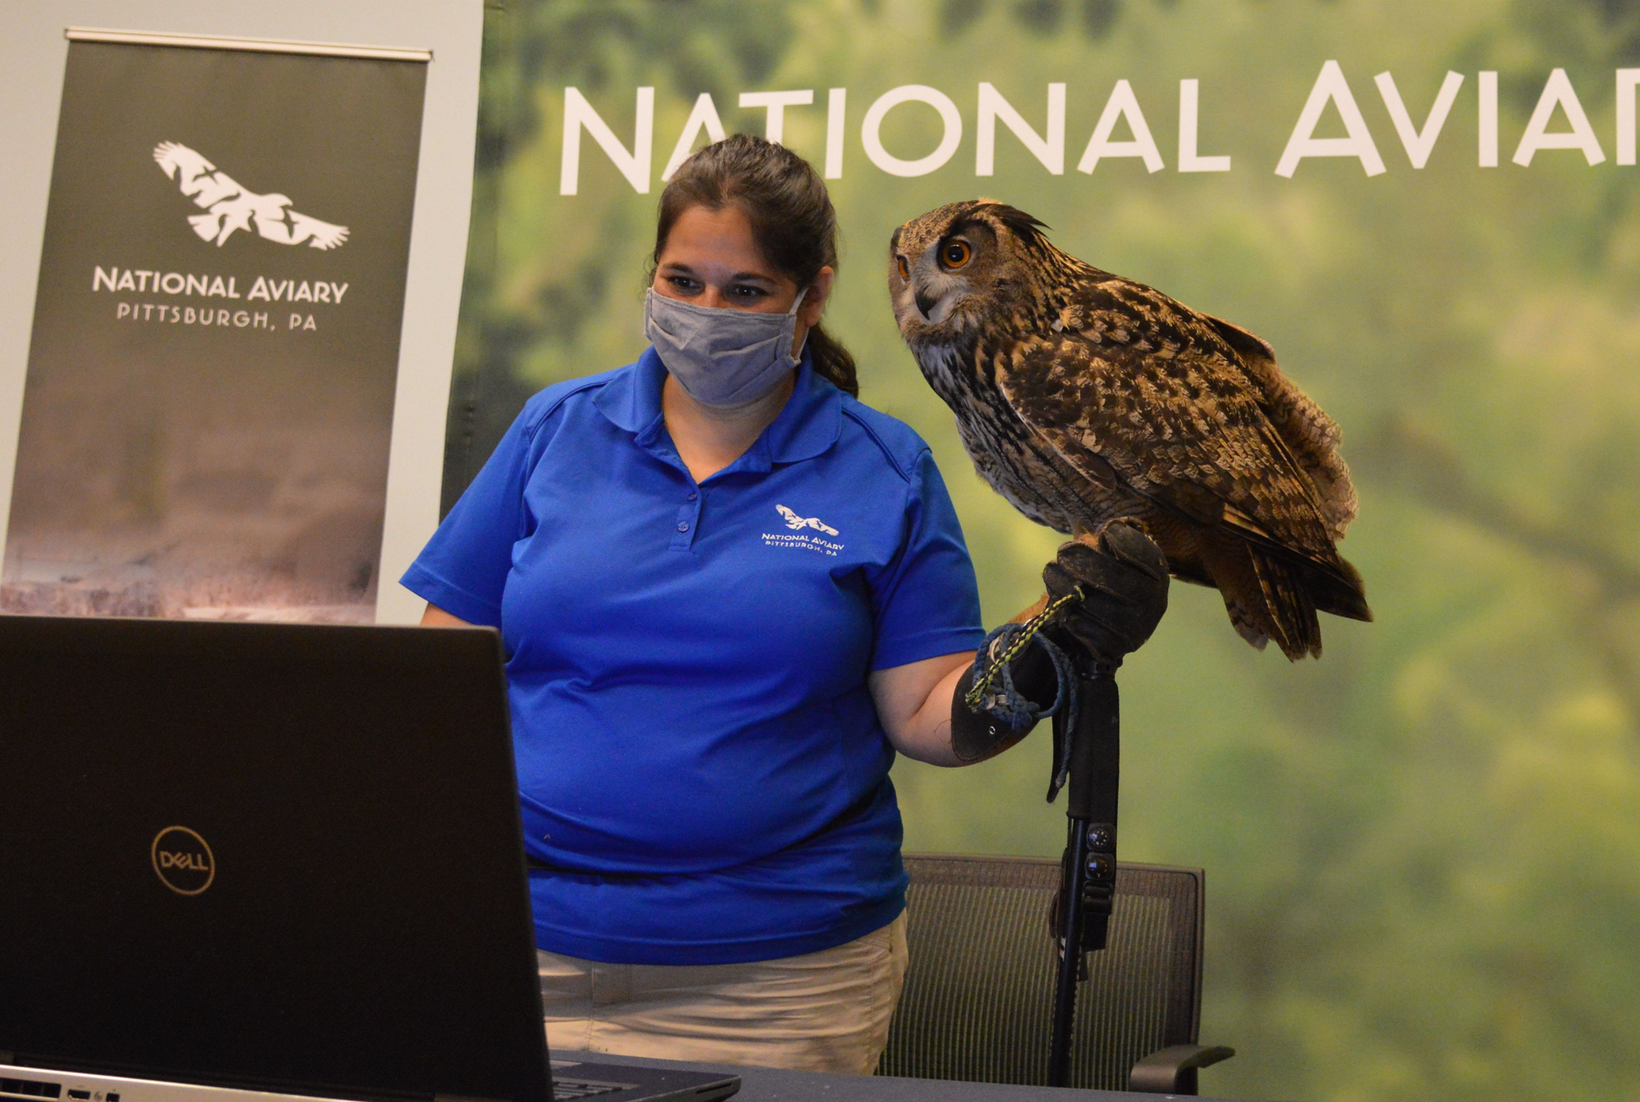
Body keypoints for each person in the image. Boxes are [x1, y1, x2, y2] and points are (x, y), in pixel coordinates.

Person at [400, 134, 1169, 1075]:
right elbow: (438, 682)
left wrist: (1050, 649)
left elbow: (928, 714)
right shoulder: (556, 429)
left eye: (745, 291)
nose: (705, 313)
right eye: (682, 281)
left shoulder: (882, 469)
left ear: (810, 300)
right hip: (515, 954)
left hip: (775, 984)